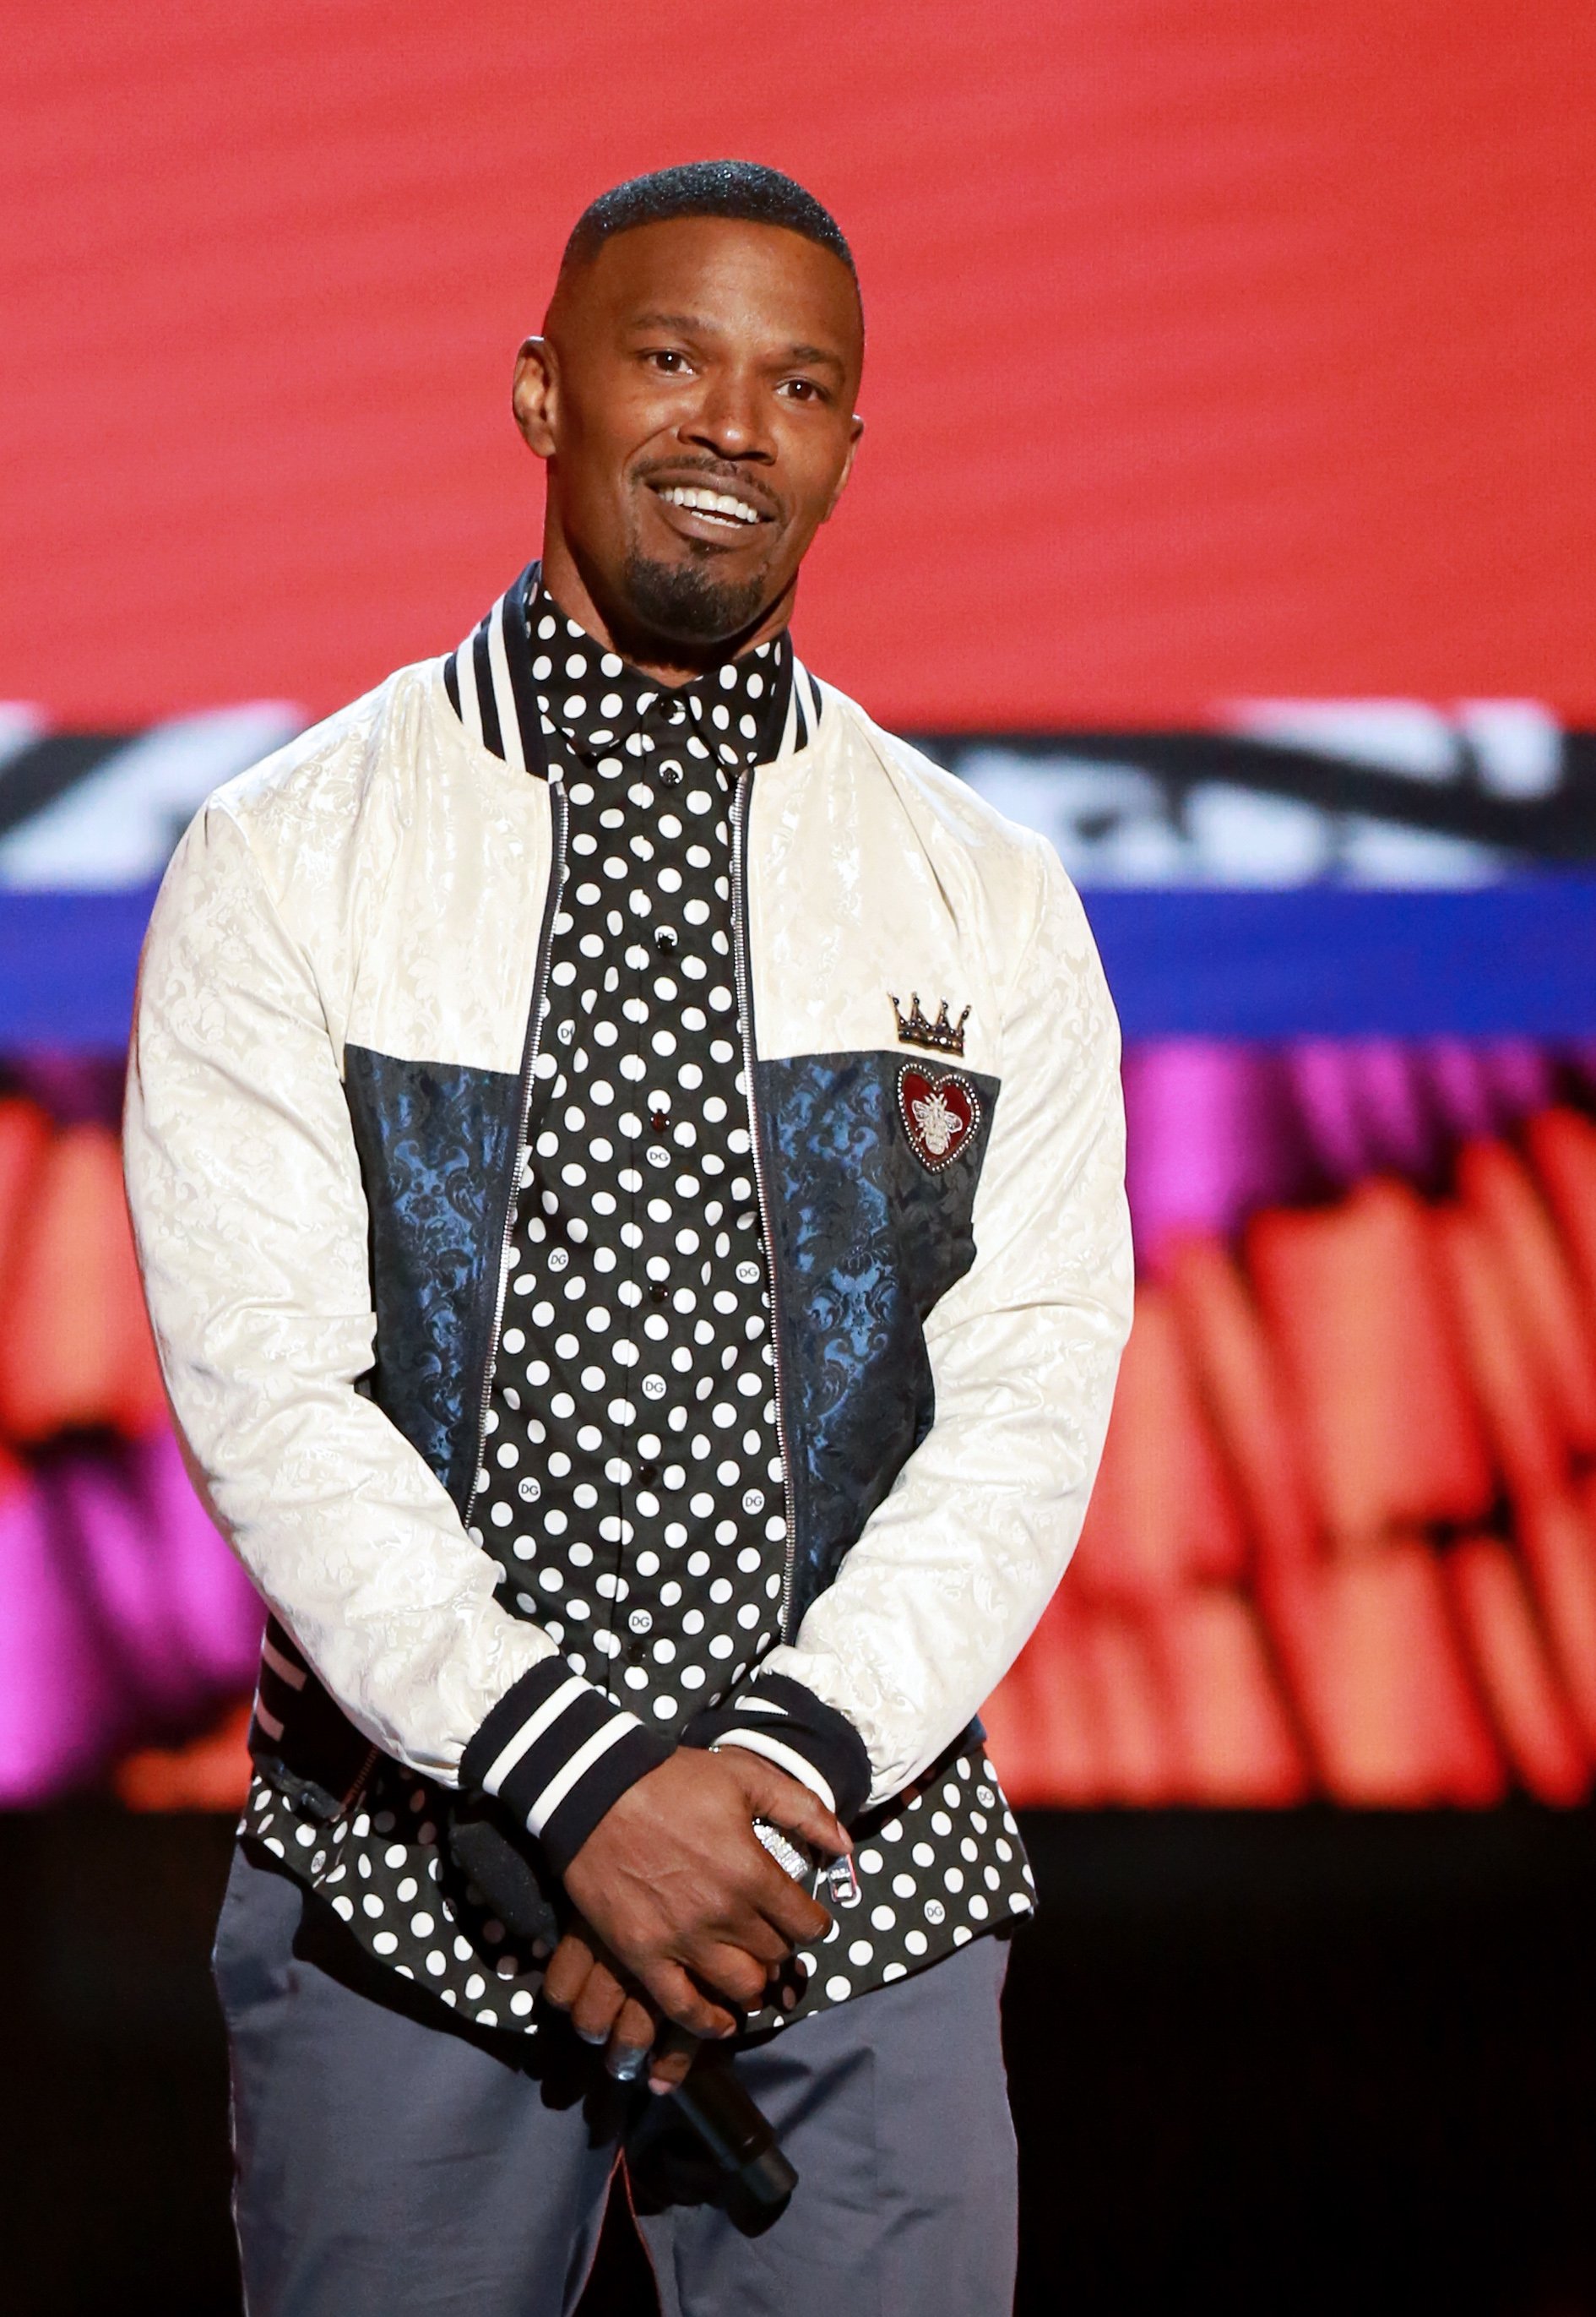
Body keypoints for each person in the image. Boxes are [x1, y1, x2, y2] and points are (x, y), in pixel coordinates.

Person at [125, 160, 1132, 2317]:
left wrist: (757, 1796)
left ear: (853, 448)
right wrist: (582, 1793)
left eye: (798, 385)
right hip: (411, 1896)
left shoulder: (986, 889)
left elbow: (1034, 1390)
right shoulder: (289, 851)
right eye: (671, 356)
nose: (731, 426)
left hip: (847, 1897)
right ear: (540, 392)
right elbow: (267, 1390)